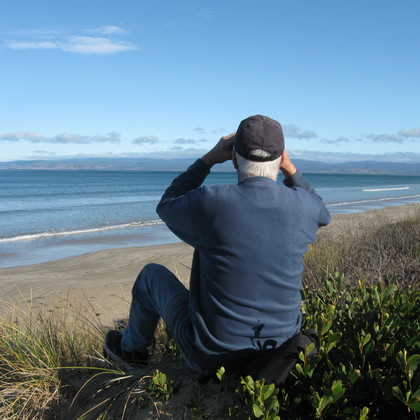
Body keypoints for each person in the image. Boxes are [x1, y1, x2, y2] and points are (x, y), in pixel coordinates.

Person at [104, 115, 331, 375]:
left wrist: (208, 159)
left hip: (212, 358)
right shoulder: (303, 207)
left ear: (233, 159)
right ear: (280, 159)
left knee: (151, 276)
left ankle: (131, 352)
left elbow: (167, 204)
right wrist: (291, 168)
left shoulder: (211, 202)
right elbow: (322, 210)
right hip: (279, 352)